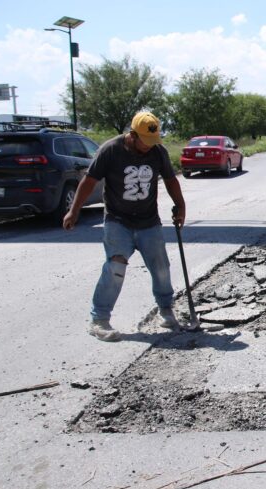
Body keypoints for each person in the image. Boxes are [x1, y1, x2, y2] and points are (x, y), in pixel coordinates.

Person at [63, 112, 186, 342]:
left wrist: (180, 205)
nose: (149, 147)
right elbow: (89, 181)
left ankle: (166, 309)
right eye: (145, 142)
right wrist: (74, 210)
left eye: (153, 142)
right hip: (117, 221)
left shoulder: (158, 151)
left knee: (161, 266)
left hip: (149, 221)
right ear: (132, 135)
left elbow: (171, 180)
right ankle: (99, 319)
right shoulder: (110, 150)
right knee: (115, 268)